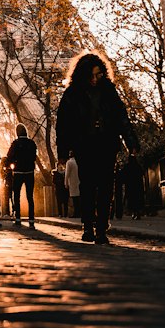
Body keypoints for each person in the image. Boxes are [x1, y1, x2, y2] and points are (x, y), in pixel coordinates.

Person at [56, 51, 138, 245]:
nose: (95, 79)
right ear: (83, 75)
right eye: (91, 75)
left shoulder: (109, 91)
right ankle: (88, 226)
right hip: (85, 146)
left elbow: (122, 118)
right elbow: (63, 124)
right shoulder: (72, 94)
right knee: (88, 187)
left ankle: (101, 227)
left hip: (106, 144)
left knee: (106, 187)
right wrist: (62, 152)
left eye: (98, 75)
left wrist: (131, 142)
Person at [6, 123, 38, 227]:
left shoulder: (15, 143)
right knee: (30, 196)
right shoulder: (31, 143)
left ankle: (18, 218)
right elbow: (34, 157)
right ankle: (31, 219)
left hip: (18, 172)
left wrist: (10, 164)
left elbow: (9, 156)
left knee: (17, 196)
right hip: (29, 172)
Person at [64, 151, 81, 219]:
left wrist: (66, 183)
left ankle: (76, 213)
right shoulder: (78, 161)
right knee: (79, 198)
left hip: (72, 182)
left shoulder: (69, 162)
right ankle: (80, 212)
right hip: (79, 181)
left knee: (74, 199)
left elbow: (67, 174)